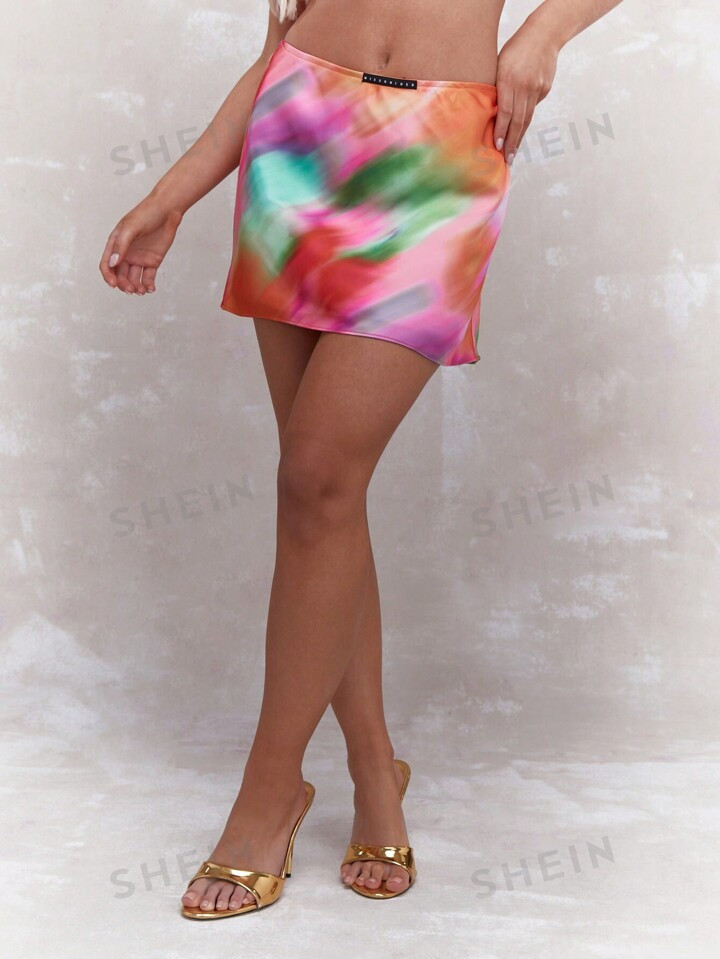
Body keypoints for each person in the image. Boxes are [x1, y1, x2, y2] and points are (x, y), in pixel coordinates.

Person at [99, 0, 624, 918]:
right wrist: (172, 194)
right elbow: (281, 43)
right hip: (299, 130)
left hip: (441, 147)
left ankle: (269, 795)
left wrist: (543, 35)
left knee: (318, 481)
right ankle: (375, 768)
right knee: (325, 497)